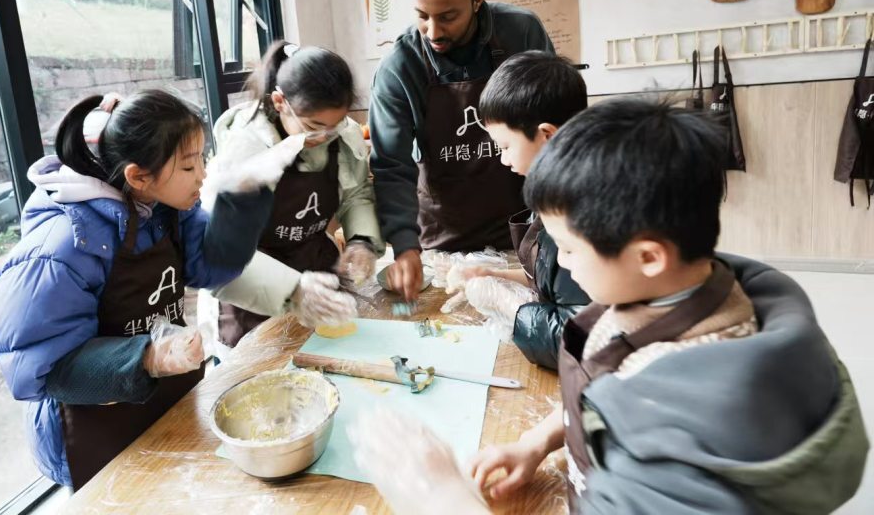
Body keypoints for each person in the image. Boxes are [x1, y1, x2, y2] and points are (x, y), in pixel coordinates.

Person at [351, 99, 869, 514]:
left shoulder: (696, 424)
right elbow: (603, 383)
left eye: (568, 249)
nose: (563, 263)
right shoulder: (664, 291)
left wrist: (442, 497)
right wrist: (537, 441)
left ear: (648, 256)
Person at [0, 89, 339, 490]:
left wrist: (241, 205)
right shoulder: (59, 249)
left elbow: (211, 265)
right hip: (93, 431)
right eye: (189, 166)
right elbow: (45, 369)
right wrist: (148, 357)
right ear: (138, 175)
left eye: (202, 159)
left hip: (160, 404)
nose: (202, 175)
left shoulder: (163, 208)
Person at [368, 0, 553, 301]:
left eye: (448, 16)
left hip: (522, 229)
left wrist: (555, 228)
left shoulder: (521, 34)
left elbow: (554, 133)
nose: (433, 32)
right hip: (443, 241)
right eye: (422, 16)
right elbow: (391, 166)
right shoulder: (399, 67)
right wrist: (404, 244)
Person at [205, 41, 382, 347]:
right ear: (280, 102)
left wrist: (362, 241)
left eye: (335, 125)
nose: (325, 136)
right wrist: (293, 290)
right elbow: (220, 254)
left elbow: (355, 193)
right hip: (255, 288)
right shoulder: (246, 151)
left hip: (318, 272)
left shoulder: (341, 133)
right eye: (314, 126)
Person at [446, 51, 589, 369]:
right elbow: (553, 281)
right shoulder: (554, 184)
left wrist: (508, 304)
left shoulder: (581, 210)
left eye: (506, 146)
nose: (502, 159)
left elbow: (579, 344)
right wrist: (493, 275)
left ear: (547, 135)